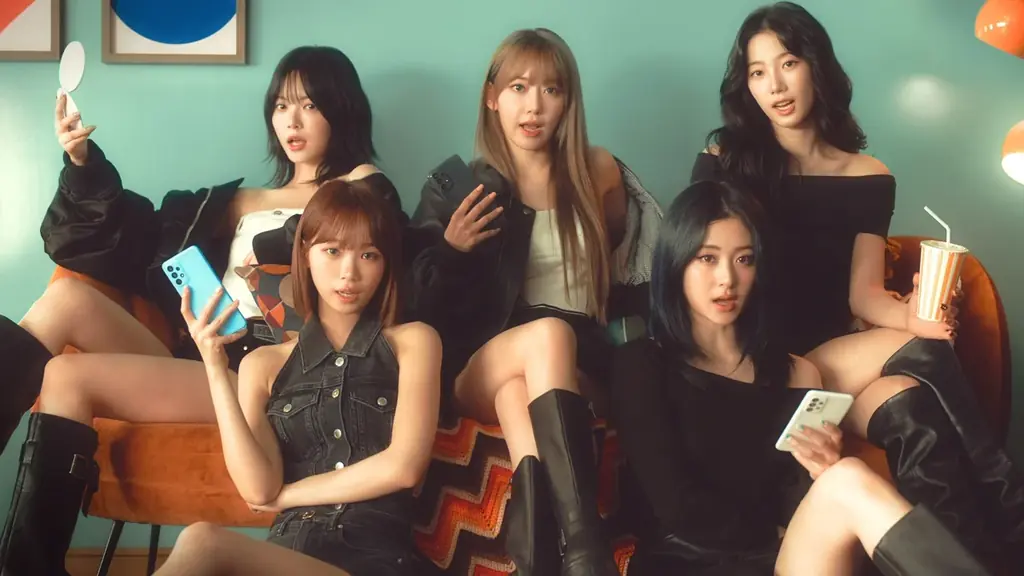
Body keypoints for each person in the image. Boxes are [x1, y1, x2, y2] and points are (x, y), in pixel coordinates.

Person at [0, 46, 403, 571]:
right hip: (204, 350)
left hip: (266, 375)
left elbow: (367, 254)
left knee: (68, 376)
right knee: (65, 301)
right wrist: (83, 163)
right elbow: (123, 239)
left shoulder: (359, 192)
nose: (293, 121)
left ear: (341, 110)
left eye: (310, 105)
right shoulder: (234, 201)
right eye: (282, 106)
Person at [690, 2, 1022, 568]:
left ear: (815, 65)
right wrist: (915, 333)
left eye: (788, 63)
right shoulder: (725, 163)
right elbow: (695, 277)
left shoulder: (868, 176)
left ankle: (973, 561)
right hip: (762, 361)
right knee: (922, 350)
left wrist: (917, 315)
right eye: (757, 71)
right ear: (746, 84)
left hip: (837, 361)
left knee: (909, 400)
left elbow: (863, 295)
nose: (775, 85)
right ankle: (1014, 520)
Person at [611, 180, 991, 576]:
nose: (727, 279)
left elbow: (796, 508)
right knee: (846, 482)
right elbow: (676, 507)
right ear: (676, 261)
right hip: (689, 562)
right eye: (707, 258)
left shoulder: (794, 372)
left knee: (844, 474)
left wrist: (819, 471)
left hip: (785, 559)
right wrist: (784, 533)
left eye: (744, 259)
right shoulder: (641, 365)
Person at [406, 27, 659, 576]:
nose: (534, 106)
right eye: (518, 87)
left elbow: (628, 261)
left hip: (579, 364)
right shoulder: (462, 189)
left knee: (521, 389)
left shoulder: (597, 172)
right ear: (491, 97)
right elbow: (417, 309)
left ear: (569, 101)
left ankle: (538, 553)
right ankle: (586, 545)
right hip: (483, 362)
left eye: (551, 89)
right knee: (545, 335)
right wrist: (451, 251)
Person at [153, 179, 440, 576]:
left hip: (373, 557)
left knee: (202, 541)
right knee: (201, 546)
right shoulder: (262, 365)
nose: (349, 272)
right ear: (305, 254)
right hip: (287, 554)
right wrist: (215, 367)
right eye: (332, 251)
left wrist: (287, 496)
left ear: (385, 263)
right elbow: (257, 488)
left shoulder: (414, 342)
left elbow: (404, 467)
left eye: (369, 255)